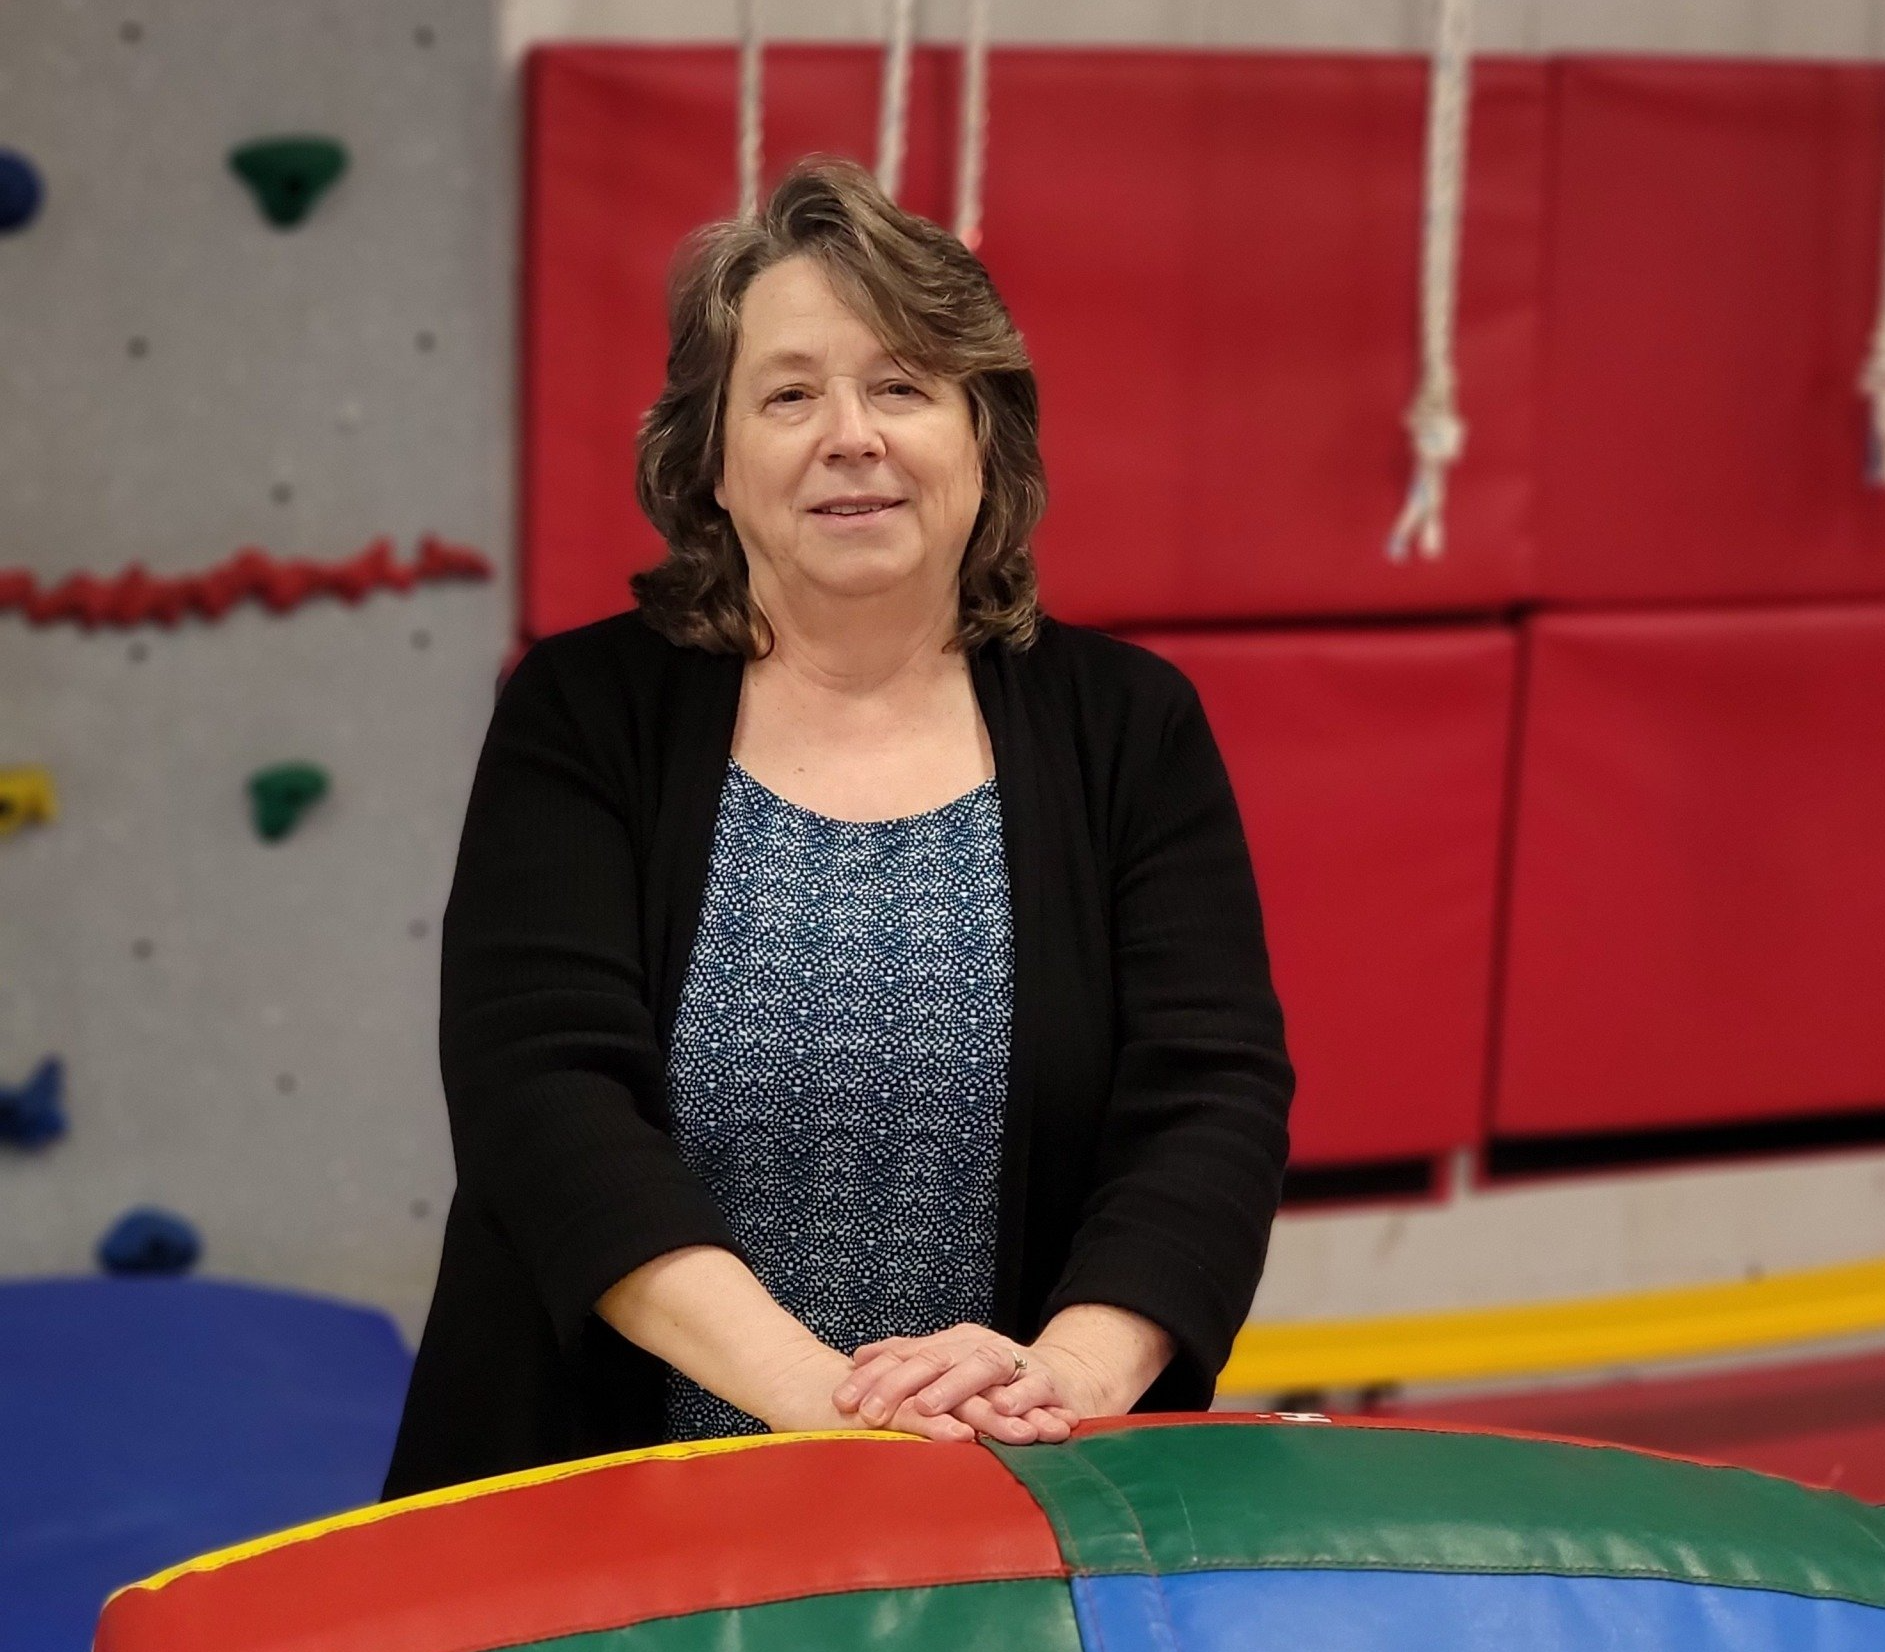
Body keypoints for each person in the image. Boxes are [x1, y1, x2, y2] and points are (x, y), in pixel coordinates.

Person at [381, 155, 1293, 1501]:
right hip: (606, 1520)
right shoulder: (581, 711)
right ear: (712, 461)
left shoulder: (1128, 726)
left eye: (902, 387)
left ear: (983, 440)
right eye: (790, 394)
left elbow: (1211, 1101)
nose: (850, 434)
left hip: (1012, 1491)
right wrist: (824, 1404)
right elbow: (543, 1098)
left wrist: (1067, 1378)